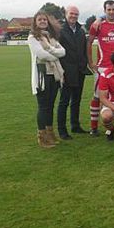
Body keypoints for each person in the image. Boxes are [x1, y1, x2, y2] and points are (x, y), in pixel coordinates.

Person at [28, 11, 66, 148]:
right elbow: (41, 55)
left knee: (50, 106)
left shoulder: (51, 37)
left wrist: (51, 50)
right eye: (40, 20)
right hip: (42, 76)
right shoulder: (33, 37)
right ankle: (42, 136)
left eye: (45, 19)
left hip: (54, 75)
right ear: (35, 22)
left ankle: (50, 134)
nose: (43, 21)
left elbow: (63, 51)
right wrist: (54, 54)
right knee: (43, 107)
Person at [88, 0, 114, 136]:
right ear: (104, 11)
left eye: (113, 9)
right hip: (102, 68)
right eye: (108, 9)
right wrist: (91, 62)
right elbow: (89, 42)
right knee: (97, 97)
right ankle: (93, 127)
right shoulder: (97, 25)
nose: (111, 12)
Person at [56, 5, 89, 140]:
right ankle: (62, 131)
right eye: (71, 14)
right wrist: (60, 71)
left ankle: (75, 126)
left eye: (76, 14)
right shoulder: (60, 30)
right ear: (66, 14)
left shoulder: (80, 30)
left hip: (80, 70)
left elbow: (82, 50)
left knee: (76, 100)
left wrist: (84, 64)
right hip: (66, 72)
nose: (74, 16)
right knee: (64, 102)